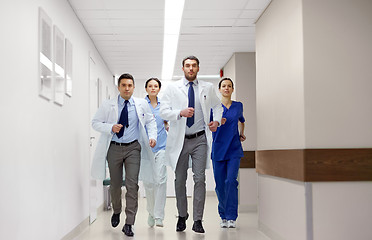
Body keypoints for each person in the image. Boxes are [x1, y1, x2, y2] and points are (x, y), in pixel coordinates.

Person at [160, 56, 223, 233]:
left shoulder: (207, 88)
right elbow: (163, 111)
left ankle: (198, 220)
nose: (190, 69)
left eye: (194, 66)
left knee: (199, 179)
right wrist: (180, 112)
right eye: (187, 66)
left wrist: (216, 121)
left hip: (200, 140)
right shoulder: (173, 88)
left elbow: (217, 107)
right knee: (179, 180)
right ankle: (182, 216)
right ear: (182, 68)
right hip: (180, 140)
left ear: (198, 68)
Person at [91, 73, 157, 237]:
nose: (127, 88)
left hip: (134, 148)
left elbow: (150, 121)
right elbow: (95, 122)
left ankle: (129, 223)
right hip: (113, 147)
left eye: (130, 85)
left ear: (134, 87)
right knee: (114, 184)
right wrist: (110, 127)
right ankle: (116, 210)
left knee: (132, 185)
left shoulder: (141, 104)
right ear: (119, 87)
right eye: (123, 85)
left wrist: (152, 137)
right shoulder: (108, 105)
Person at [211, 78, 246, 229]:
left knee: (231, 182)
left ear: (232, 89)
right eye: (223, 86)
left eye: (229, 86)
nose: (226, 88)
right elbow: (208, 125)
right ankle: (223, 215)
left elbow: (242, 120)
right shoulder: (213, 107)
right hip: (218, 149)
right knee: (220, 185)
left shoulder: (238, 106)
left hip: (234, 150)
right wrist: (217, 124)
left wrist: (241, 133)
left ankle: (232, 216)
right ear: (219, 89)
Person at [142, 78, 168, 228]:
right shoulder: (141, 105)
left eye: (156, 86)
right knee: (149, 183)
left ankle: (159, 216)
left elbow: (168, 122)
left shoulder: (164, 106)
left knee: (161, 180)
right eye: (150, 86)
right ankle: (151, 212)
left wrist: (168, 125)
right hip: (145, 149)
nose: (153, 88)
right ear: (146, 89)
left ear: (159, 89)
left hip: (162, 147)